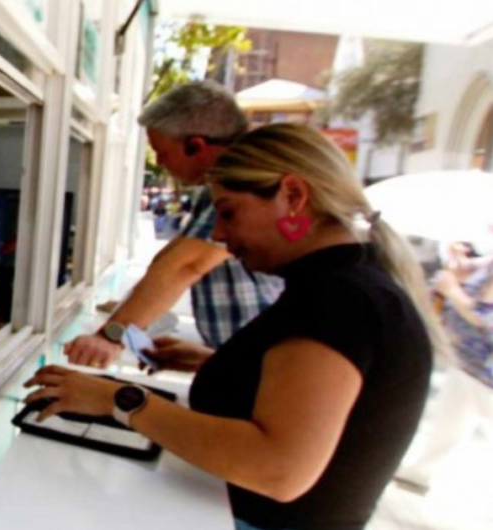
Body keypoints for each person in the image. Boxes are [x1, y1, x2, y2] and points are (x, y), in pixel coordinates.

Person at [25, 124, 448, 530]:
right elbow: (317, 394)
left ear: (293, 196)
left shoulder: (335, 299)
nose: (220, 234)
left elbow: (278, 469)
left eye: (228, 213)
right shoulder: (349, 284)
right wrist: (220, 364)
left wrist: (119, 399)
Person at [64, 81, 282, 368]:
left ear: (195, 145)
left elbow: (186, 265)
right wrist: (126, 312)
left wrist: (111, 336)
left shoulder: (242, 181)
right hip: (242, 362)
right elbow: (170, 258)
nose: (159, 162)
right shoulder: (217, 187)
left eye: (162, 152)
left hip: (265, 365)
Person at [395, 239, 493, 491]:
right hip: (466, 363)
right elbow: (468, 269)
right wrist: (458, 261)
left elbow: (486, 319)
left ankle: (420, 472)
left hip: (487, 375)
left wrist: (453, 292)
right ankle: (420, 472)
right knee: (449, 422)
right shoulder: (489, 263)